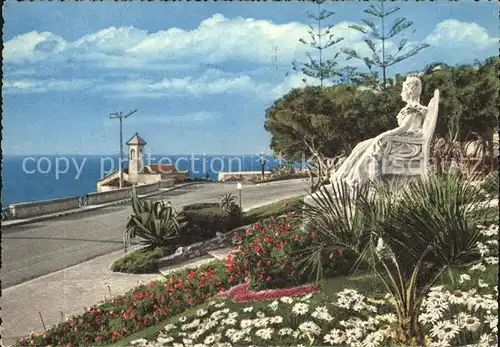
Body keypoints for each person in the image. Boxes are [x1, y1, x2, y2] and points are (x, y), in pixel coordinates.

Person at [330, 75, 428, 188]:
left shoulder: (414, 109)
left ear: (409, 92)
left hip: (407, 143)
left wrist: (385, 134)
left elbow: (404, 128)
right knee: (361, 146)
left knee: (372, 148)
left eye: (403, 90)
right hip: (403, 140)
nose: (401, 93)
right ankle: (345, 177)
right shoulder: (411, 108)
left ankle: (359, 181)